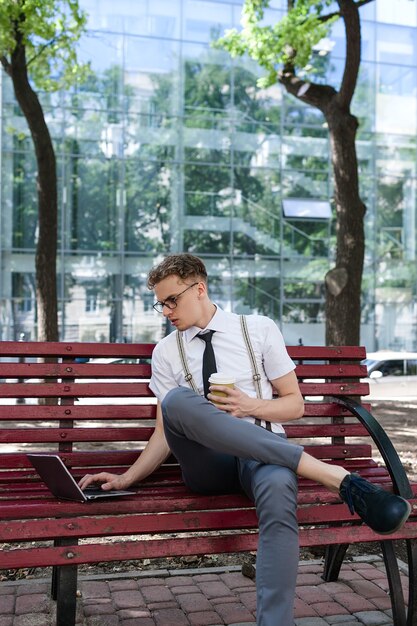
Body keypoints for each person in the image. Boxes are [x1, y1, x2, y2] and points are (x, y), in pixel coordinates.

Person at [79, 253, 411, 626]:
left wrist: (250, 405)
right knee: (175, 401)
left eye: (172, 300)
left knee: (278, 493)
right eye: (160, 303)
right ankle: (331, 475)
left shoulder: (257, 329)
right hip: (208, 463)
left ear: (199, 289)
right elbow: (164, 432)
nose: (166, 311)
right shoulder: (166, 351)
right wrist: (125, 479)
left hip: (263, 457)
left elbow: (294, 405)